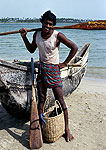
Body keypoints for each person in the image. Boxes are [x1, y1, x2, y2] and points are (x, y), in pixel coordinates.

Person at [19, 10, 78, 142]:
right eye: (46, 23)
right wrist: (24, 37)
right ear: (42, 22)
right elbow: (31, 49)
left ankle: (67, 129)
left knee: (60, 100)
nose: (48, 26)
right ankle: (39, 126)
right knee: (41, 99)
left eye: (51, 24)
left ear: (53, 25)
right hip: (42, 70)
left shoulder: (58, 36)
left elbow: (74, 47)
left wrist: (65, 63)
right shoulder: (37, 34)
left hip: (54, 70)